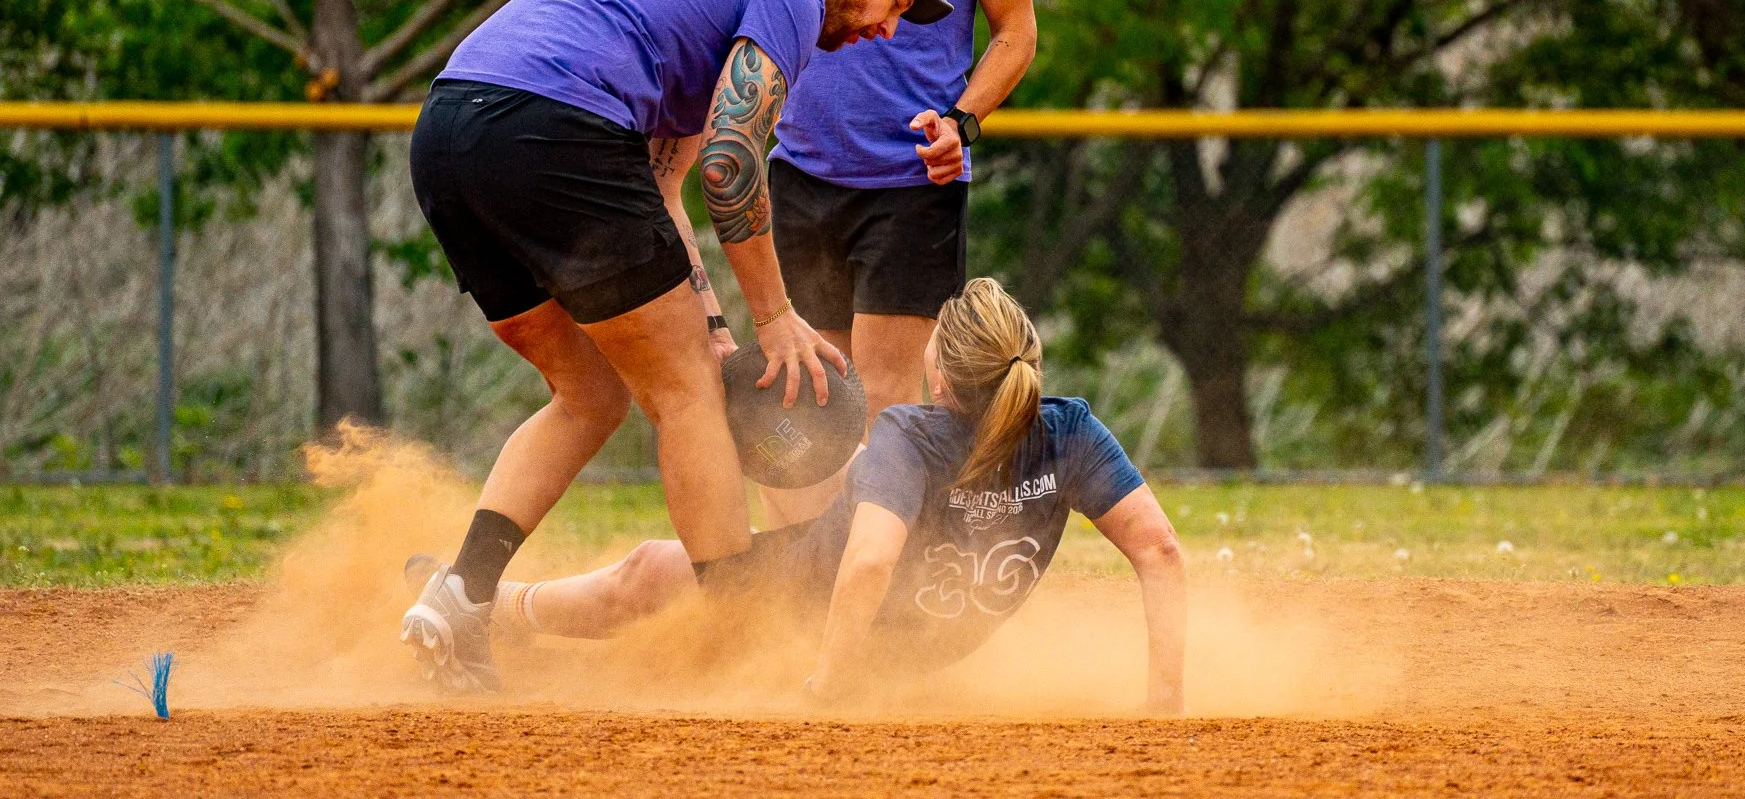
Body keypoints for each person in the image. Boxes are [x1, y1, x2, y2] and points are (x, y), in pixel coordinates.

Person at [401, 0, 952, 693]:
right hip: (553, 128)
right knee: (685, 389)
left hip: (453, 133)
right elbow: (732, 165)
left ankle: (461, 593)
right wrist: (776, 316)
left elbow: (666, 191)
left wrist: (717, 325)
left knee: (590, 393)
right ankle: (736, 632)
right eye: (895, 3)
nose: (887, 29)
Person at [410, 279, 1188, 712]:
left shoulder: (912, 436)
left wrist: (828, 683)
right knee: (830, 462)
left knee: (648, 574)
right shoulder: (1071, 431)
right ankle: (499, 607)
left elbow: (868, 566)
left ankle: (498, 607)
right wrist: (1165, 701)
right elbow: (1159, 550)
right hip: (918, 646)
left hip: (800, 610)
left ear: (942, 378)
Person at [749, 0, 1041, 525]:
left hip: (909, 182)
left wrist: (964, 120)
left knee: (879, 398)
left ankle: (877, 585)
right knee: (798, 395)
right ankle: (804, 576)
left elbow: (1016, 36)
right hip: (798, 171)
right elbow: (761, 5)